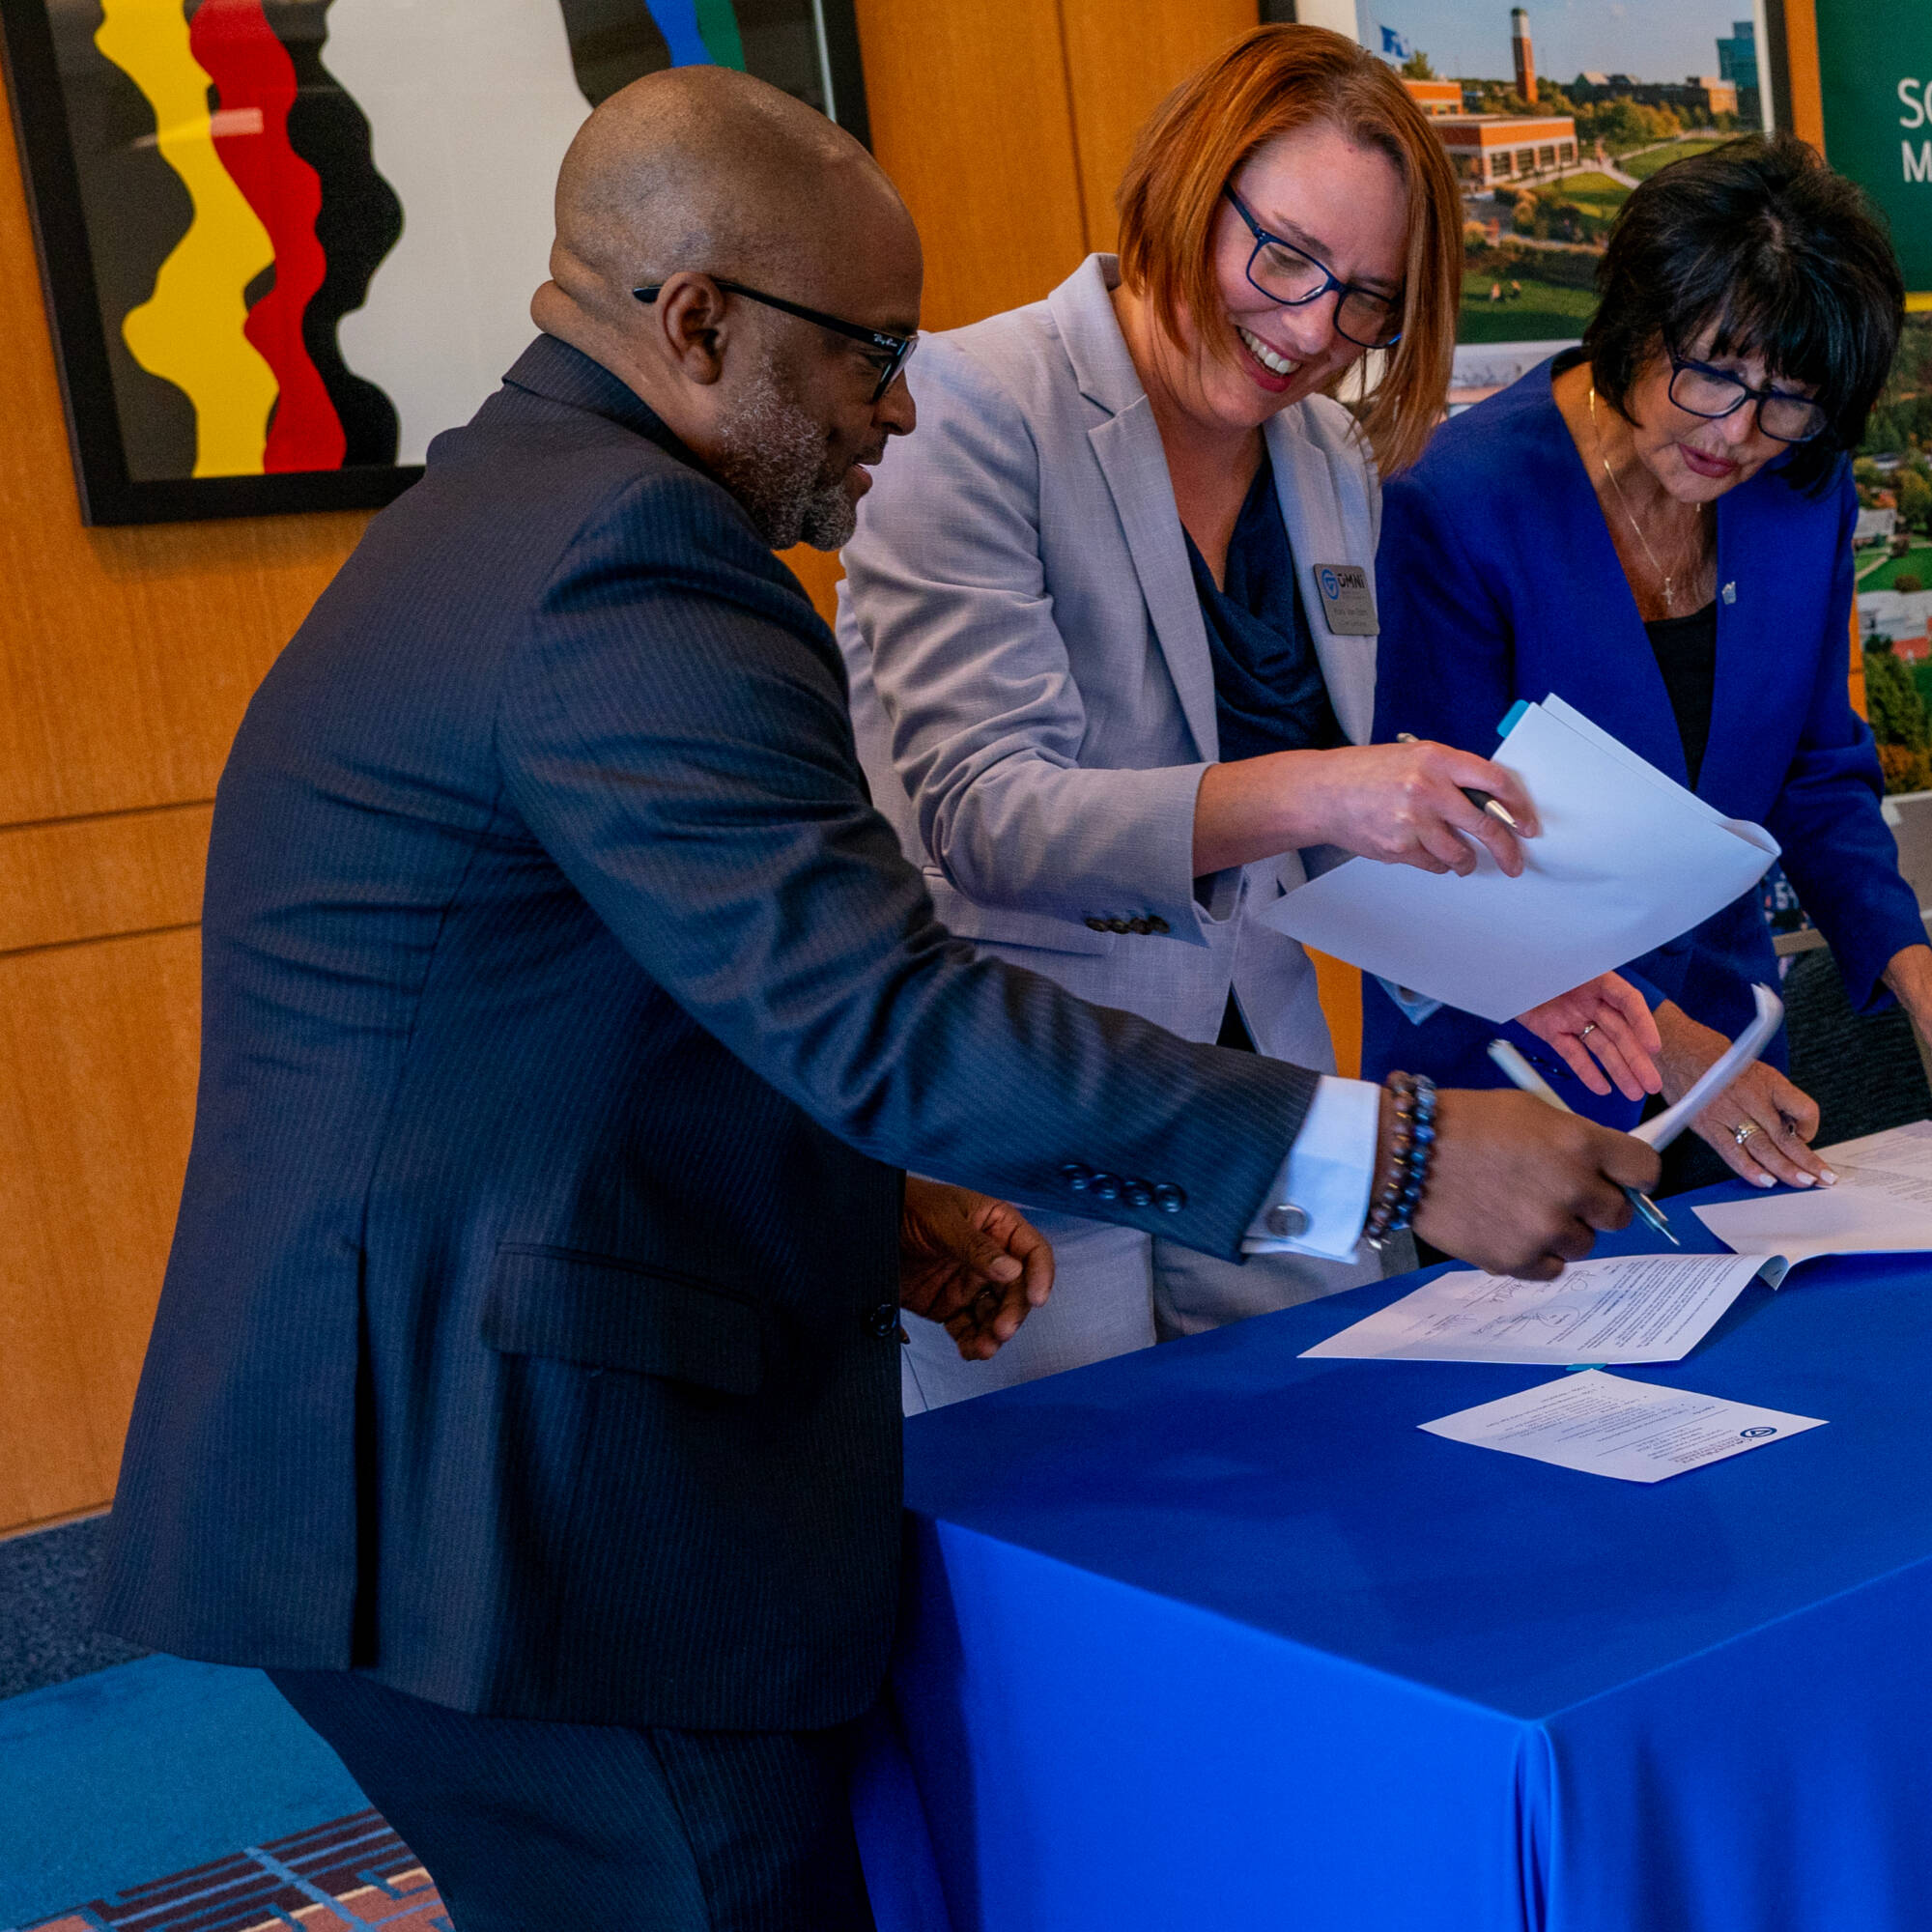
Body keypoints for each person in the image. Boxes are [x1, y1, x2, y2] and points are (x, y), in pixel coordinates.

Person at [95, 68, 1657, 1931]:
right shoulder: (628, 569)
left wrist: (881, 1203)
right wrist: (1395, 1158)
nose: (897, 410)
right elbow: (890, 1009)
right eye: (867, 359)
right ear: (697, 325)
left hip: (445, 1451)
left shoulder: (535, 514)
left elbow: (654, 985)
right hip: (501, 1503)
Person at [838, 24, 1655, 1412]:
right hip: (1034, 1131)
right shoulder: (975, 403)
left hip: (1277, 1118)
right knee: (1063, 1552)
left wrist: (1505, 952)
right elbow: (983, 814)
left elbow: (1311, 861)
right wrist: (1336, 785)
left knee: (1320, 1501)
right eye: (1283, 259)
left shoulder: (1329, 459)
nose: (1309, 333)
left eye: (1367, 307)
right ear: (1183, 185)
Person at [1369, 134, 1932, 1189]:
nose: (1739, 431)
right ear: (1637, 318)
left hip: (1730, 1066)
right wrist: (1670, 1045)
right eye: (1713, 371)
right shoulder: (1459, 504)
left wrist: (1908, 962)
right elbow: (1437, 850)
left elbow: (1813, 770)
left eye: (1789, 398)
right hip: (1517, 1077)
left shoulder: (1800, 493)